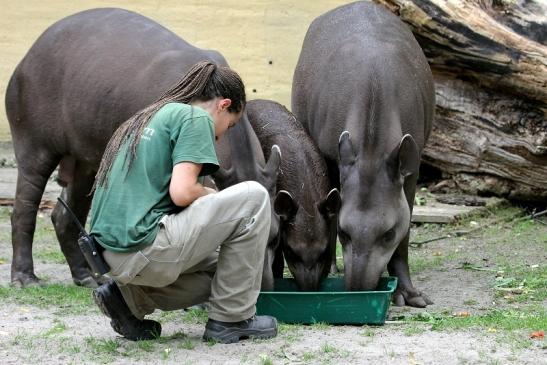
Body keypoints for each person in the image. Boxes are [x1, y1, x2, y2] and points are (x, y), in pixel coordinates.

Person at [89, 61, 277, 344]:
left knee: (232, 268)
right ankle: (231, 320)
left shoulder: (148, 117)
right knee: (254, 197)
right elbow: (183, 192)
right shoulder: (195, 117)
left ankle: (129, 300)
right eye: (231, 124)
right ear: (223, 105)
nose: (222, 134)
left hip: (111, 255)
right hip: (144, 247)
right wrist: (215, 197)